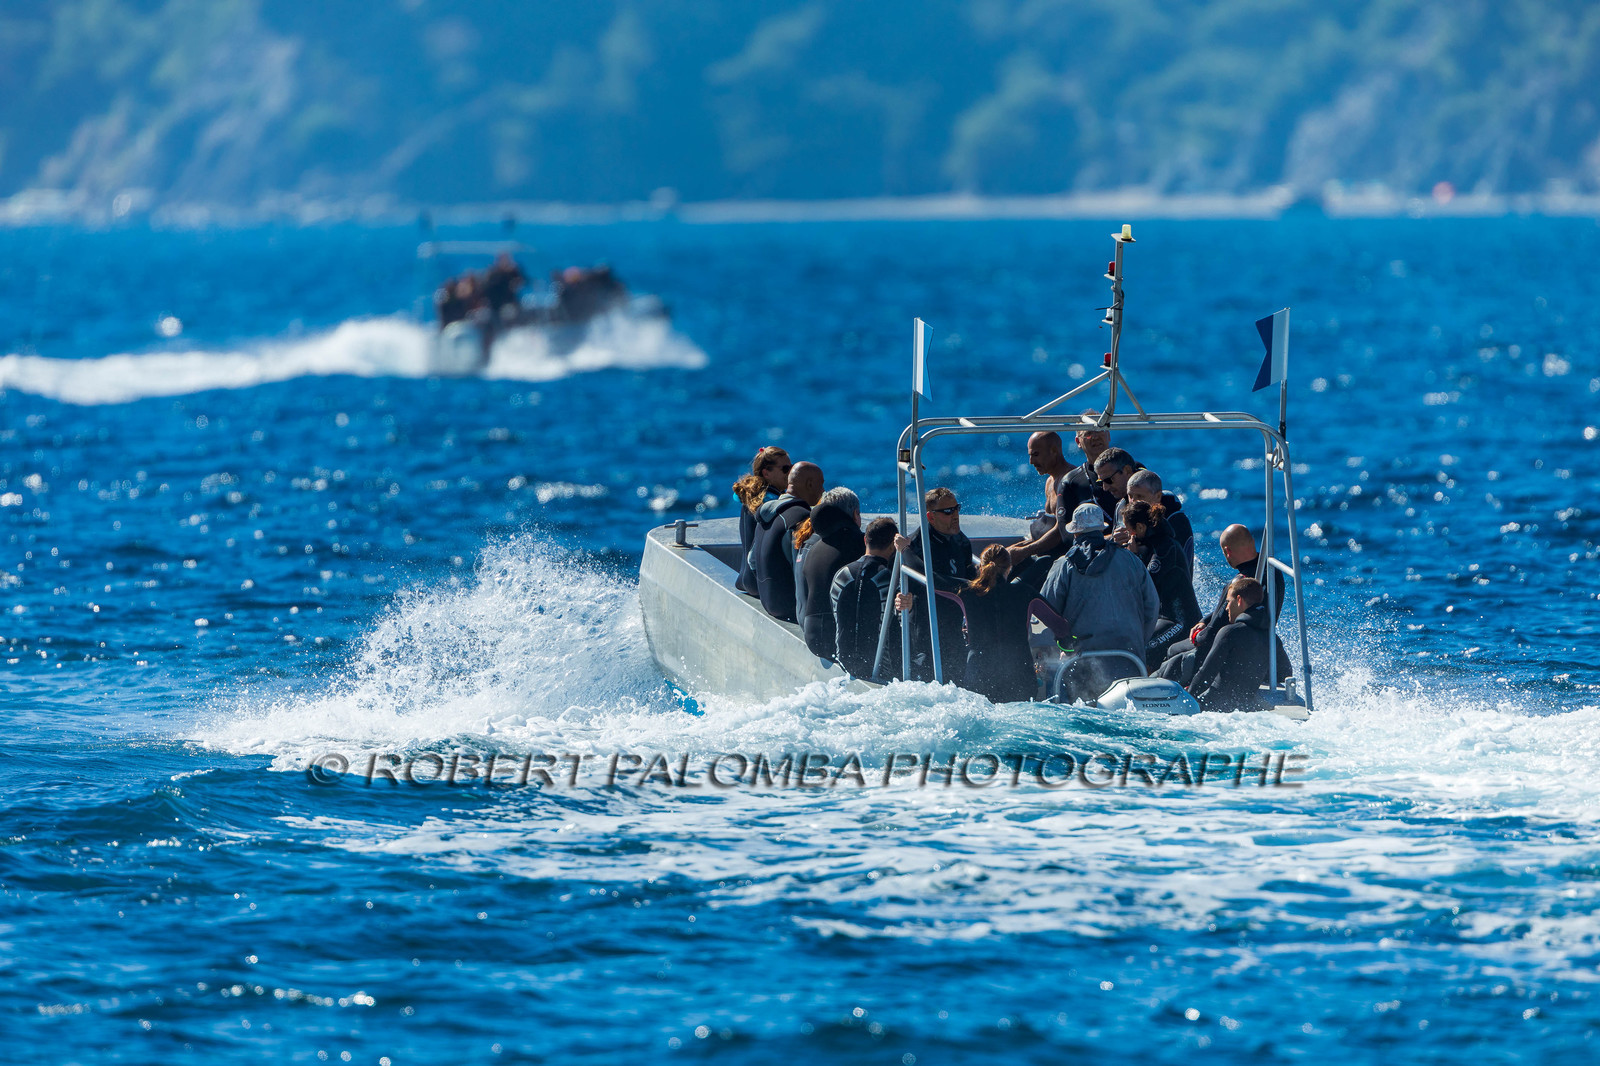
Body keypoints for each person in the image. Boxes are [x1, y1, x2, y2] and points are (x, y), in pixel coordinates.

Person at [1039, 502, 1159, 691]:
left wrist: (1062, 649)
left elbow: (1045, 613)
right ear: (1101, 529)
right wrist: (1137, 642)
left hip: (1080, 665)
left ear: (1076, 533)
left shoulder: (1064, 565)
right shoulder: (1133, 562)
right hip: (1130, 662)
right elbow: (1152, 607)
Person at [1156, 524, 1288, 685]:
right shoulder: (1274, 572)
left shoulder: (1239, 583)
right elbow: (1223, 615)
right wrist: (1203, 621)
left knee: (1172, 649)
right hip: (1260, 644)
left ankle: (1170, 688)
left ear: (1227, 551)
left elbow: (1211, 634)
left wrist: (1198, 635)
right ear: (1251, 541)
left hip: (1229, 650)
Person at [892, 487, 976, 680]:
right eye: (948, 512)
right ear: (930, 517)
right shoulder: (914, 546)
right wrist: (901, 598)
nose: (955, 515)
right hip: (926, 633)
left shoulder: (961, 541)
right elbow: (908, 585)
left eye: (956, 508)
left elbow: (970, 579)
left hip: (955, 628)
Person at [1122, 500, 1202, 670]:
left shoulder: (1164, 549)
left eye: (1131, 532)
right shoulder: (1152, 544)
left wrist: (1133, 557)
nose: (1130, 537)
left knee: (1141, 650)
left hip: (1179, 622)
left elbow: (1144, 586)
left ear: (1141, 527)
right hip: (1162, 618)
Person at [957, 545, 1040, 703]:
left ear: (981, 567)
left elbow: (931, 577)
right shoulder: (1025, 592)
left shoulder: (966, 591)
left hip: (979, 679)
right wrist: (1067, 645)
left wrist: (905, 551)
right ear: (1009, 568)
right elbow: (1062, 627)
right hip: (1021, 679)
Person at [1187, 576, 1277, 711]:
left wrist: (1187, 697)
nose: (1227, 607)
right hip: (1246, 707)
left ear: (1239, 600)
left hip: (1216, 705)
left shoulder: (1229, 632)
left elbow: (1206, 673)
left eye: (1229, 602)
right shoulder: (1272, 637)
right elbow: (1285, 671)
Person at [794, 488, 865, 657]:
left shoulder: (812, 546)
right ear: (855, 514)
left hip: (811, 633)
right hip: (834, 641)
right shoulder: (858, 544)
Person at [753, 461, 823, 622]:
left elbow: (752, 561)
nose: (823, 491)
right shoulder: (801, 516)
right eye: (821, 484)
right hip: (787, 606)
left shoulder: (768, 510)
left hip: (767, 601)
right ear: (810, 484)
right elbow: (801, 569)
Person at [833, 517, 901, 679]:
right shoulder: (888, 579)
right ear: (893, 546)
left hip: (842, 663)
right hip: (878, 669)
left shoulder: (842, 574)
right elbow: (899, 624)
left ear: (865, 539)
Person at [732, 447, 790, 594]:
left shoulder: (752, 497)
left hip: (744, 579)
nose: (790, 473)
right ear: (766, 473)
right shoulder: (770, 504)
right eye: (785, 469)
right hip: (759, 582)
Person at [1120, 469, 1195, 571]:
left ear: (1158, 496)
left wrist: (1137, 554)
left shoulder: (1175, 521)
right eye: (1130, 496)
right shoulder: (1128, 512)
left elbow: (1168, 568)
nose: (1133, 501)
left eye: (1139, 496)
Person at [1092, 447, 1140, 526]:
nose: (1105, 488)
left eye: (1108, 480)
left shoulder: (1163, 500)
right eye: (1101, 482)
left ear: (1127, 470)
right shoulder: (1120, 506)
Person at [482, 253, 526, 322]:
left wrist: (516, 274)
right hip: (495, 302)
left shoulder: (513, 272)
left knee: (514, 311)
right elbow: (489, 287)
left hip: (510, 301)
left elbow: (523, 281)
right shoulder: (493, 273)